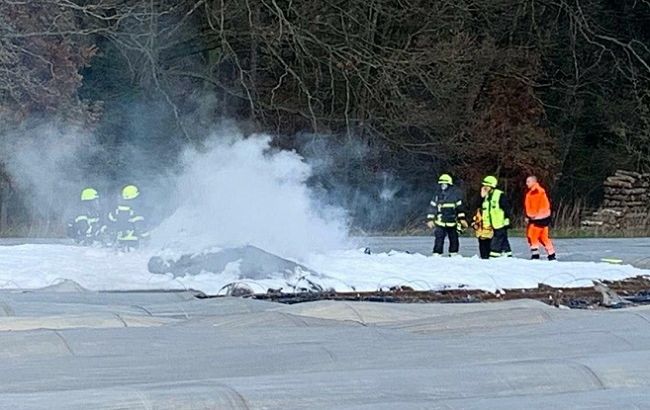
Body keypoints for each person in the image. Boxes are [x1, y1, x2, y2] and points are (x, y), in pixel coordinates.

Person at [426, 174, 467, 256]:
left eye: (445, 184)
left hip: (452, 222)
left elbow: (460, 209)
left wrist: (462, 219)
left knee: (454, 239)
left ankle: (453, 253)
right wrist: (430, 220)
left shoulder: (455, 195)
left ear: (449, 185)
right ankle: (437, 254)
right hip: (440, 222)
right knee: (439, 238)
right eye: (441, 184)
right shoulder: (437, 196)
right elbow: (432, 208)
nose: (443, 186)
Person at [107, 184, 149, 250]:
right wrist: (147, 237)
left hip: (119, 240)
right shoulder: (135, 212)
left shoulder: (116, 211)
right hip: (132, 241)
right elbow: (140, 227)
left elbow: (110, 221)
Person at [524, 176, 556, 260]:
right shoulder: (538, 191)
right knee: (543, 237)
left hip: (538, 219)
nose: (526, 183)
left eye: (528, 181)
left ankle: (535, 255)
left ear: (534, 182)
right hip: (543, 218)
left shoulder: (535, 192)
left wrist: (531, 216)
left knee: (532, 235)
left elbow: (535, 206)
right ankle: (551, 254)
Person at [481, 175, 512, 257]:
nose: (484, 187)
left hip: (500, 222)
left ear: (492, 186)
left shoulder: (499, 195)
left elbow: (507, 208)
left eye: (486, 185)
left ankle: (494, 254)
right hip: (491, 224)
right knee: (503, 238)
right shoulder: (486, 196)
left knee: (497, 239)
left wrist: (507, 218)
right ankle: (507, 253)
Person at [471, 185, 493, 259]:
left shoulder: (491, 201)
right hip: (480, 229)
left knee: (489, 246)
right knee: (482, 246)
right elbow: (475, 213)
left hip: (489, 229)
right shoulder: (479, 200)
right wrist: (474, 223)